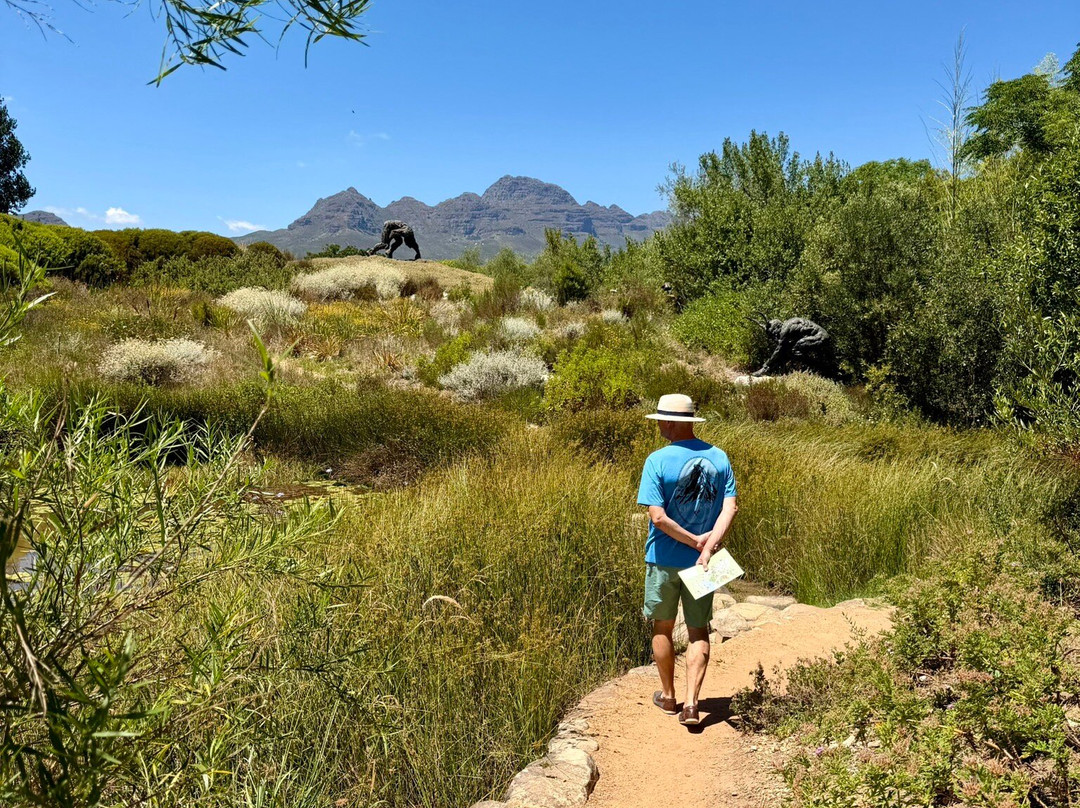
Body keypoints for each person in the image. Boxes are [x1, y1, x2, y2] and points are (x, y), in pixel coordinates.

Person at [637, 393, 738, 726]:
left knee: (662, 627)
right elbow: (729, 508)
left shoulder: (657, 460)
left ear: (669, 422)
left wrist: (694, 541)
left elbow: (659, 518)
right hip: (704, 563)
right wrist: (708, 546)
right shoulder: (719, 457)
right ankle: (693, 705)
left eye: (662, 421)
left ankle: (668, 698)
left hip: (664, 557)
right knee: (698, 631)